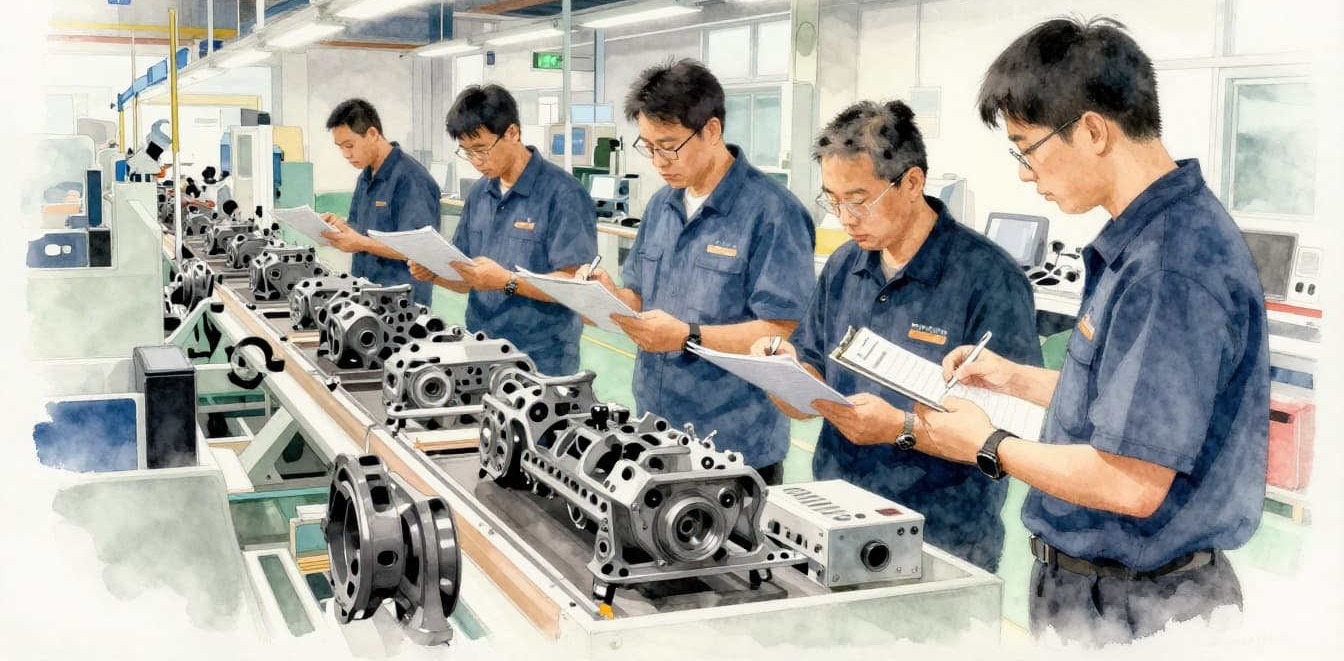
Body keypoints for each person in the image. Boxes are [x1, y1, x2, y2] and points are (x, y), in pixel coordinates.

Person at [918, 17, 1269, 644]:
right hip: (1102, 593)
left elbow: (1128, 481)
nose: (1026, 172)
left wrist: (987, 443)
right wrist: (1016, 379)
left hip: (1140, 608)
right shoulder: (1146, 243)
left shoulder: (1170, 268)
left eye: (1026, 147)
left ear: (1091, 130)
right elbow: (1132, 409)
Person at [749, 100, 1040, 571]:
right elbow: (810, 374)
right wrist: (780, 372)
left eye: (859, 200)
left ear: (912, 182)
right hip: (835, 516)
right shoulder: (844, 266)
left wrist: (902, 430)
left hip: (941, 537)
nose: (844, 217)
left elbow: (1012, 432)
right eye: (832, 199)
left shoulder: (989, 279)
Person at [582, 59, 815, 484]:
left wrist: (688, 335)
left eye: (668, 145)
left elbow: (782, 331)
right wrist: (603, 297)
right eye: (648, 146)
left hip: (734, 445)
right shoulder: (661, 205)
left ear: (711, 131)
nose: (658, 160)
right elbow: (638, 295)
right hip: (655, 429)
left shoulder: (773, 213)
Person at [409, 84, 596, 376]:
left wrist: (507, 281)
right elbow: (468, 278)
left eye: (482, 149)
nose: (476, 162)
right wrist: (434, 273)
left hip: (541, 359)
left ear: (512, 133)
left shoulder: (563, 194)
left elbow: (575, 285)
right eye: (467, 152)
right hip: (479, 347)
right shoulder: (479, 194)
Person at [318, 98, 440, 306]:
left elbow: (418, 250)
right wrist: (341, 228)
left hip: (402, 305)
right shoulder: (365, 177)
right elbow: (359, 230)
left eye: (350, 145)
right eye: (340, 147)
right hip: (365, 296)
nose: (346, 155)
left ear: (373, 134)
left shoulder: (412, 179)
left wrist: (360, 242)